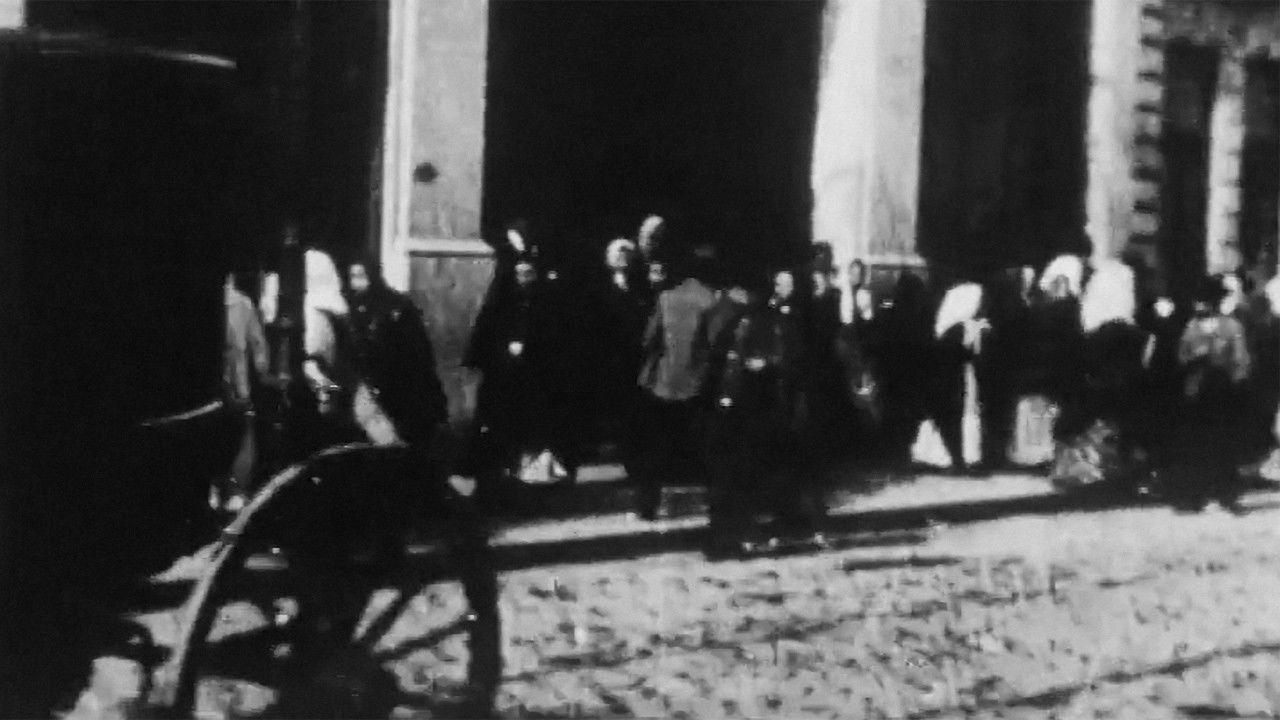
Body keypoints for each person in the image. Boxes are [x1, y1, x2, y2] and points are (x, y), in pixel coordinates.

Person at [704, 269, 820, 555]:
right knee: (760, 470)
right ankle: (758, 529)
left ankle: (742, 532)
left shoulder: (742, 319)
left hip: (752, 407)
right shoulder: (758, 321)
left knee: (749, 471)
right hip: (758, 407)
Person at [1051, 260, 1153, 492]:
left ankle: (1084, 471)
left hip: (1092, 392)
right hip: (1126, 393)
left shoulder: (1090, 331)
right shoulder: (1135, 332)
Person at [634, 247, 719, 520]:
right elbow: (713, 342)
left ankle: (648, 504)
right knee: (703, 444)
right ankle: (712, 503)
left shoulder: (666, 298)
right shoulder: (710, 299)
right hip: (697, 382)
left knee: (655, 443)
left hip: (664, 380)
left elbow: (649, 339)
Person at [1162, 277, 1253, 512]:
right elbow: (1181, 357)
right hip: (1196, 390)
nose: (1201, 305)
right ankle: (1194, 495)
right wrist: (1194, 358)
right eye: (1199, 300)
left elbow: (1241, 360)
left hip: (1222, 390)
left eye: (1206, 300)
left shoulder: (1232, 327)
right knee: (1195, 443)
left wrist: (1236, 384)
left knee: (1221, 442)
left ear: (1216, 301)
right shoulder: (1192, 327)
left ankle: (1226, 494)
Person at [219, 269, 270, 513]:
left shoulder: (241, 304)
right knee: (241, 434)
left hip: (224, 386)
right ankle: (234, 488)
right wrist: (263, 370)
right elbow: (258, 345)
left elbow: (258, 345)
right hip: (236, 386)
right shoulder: (242, 303)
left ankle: (227, 488)